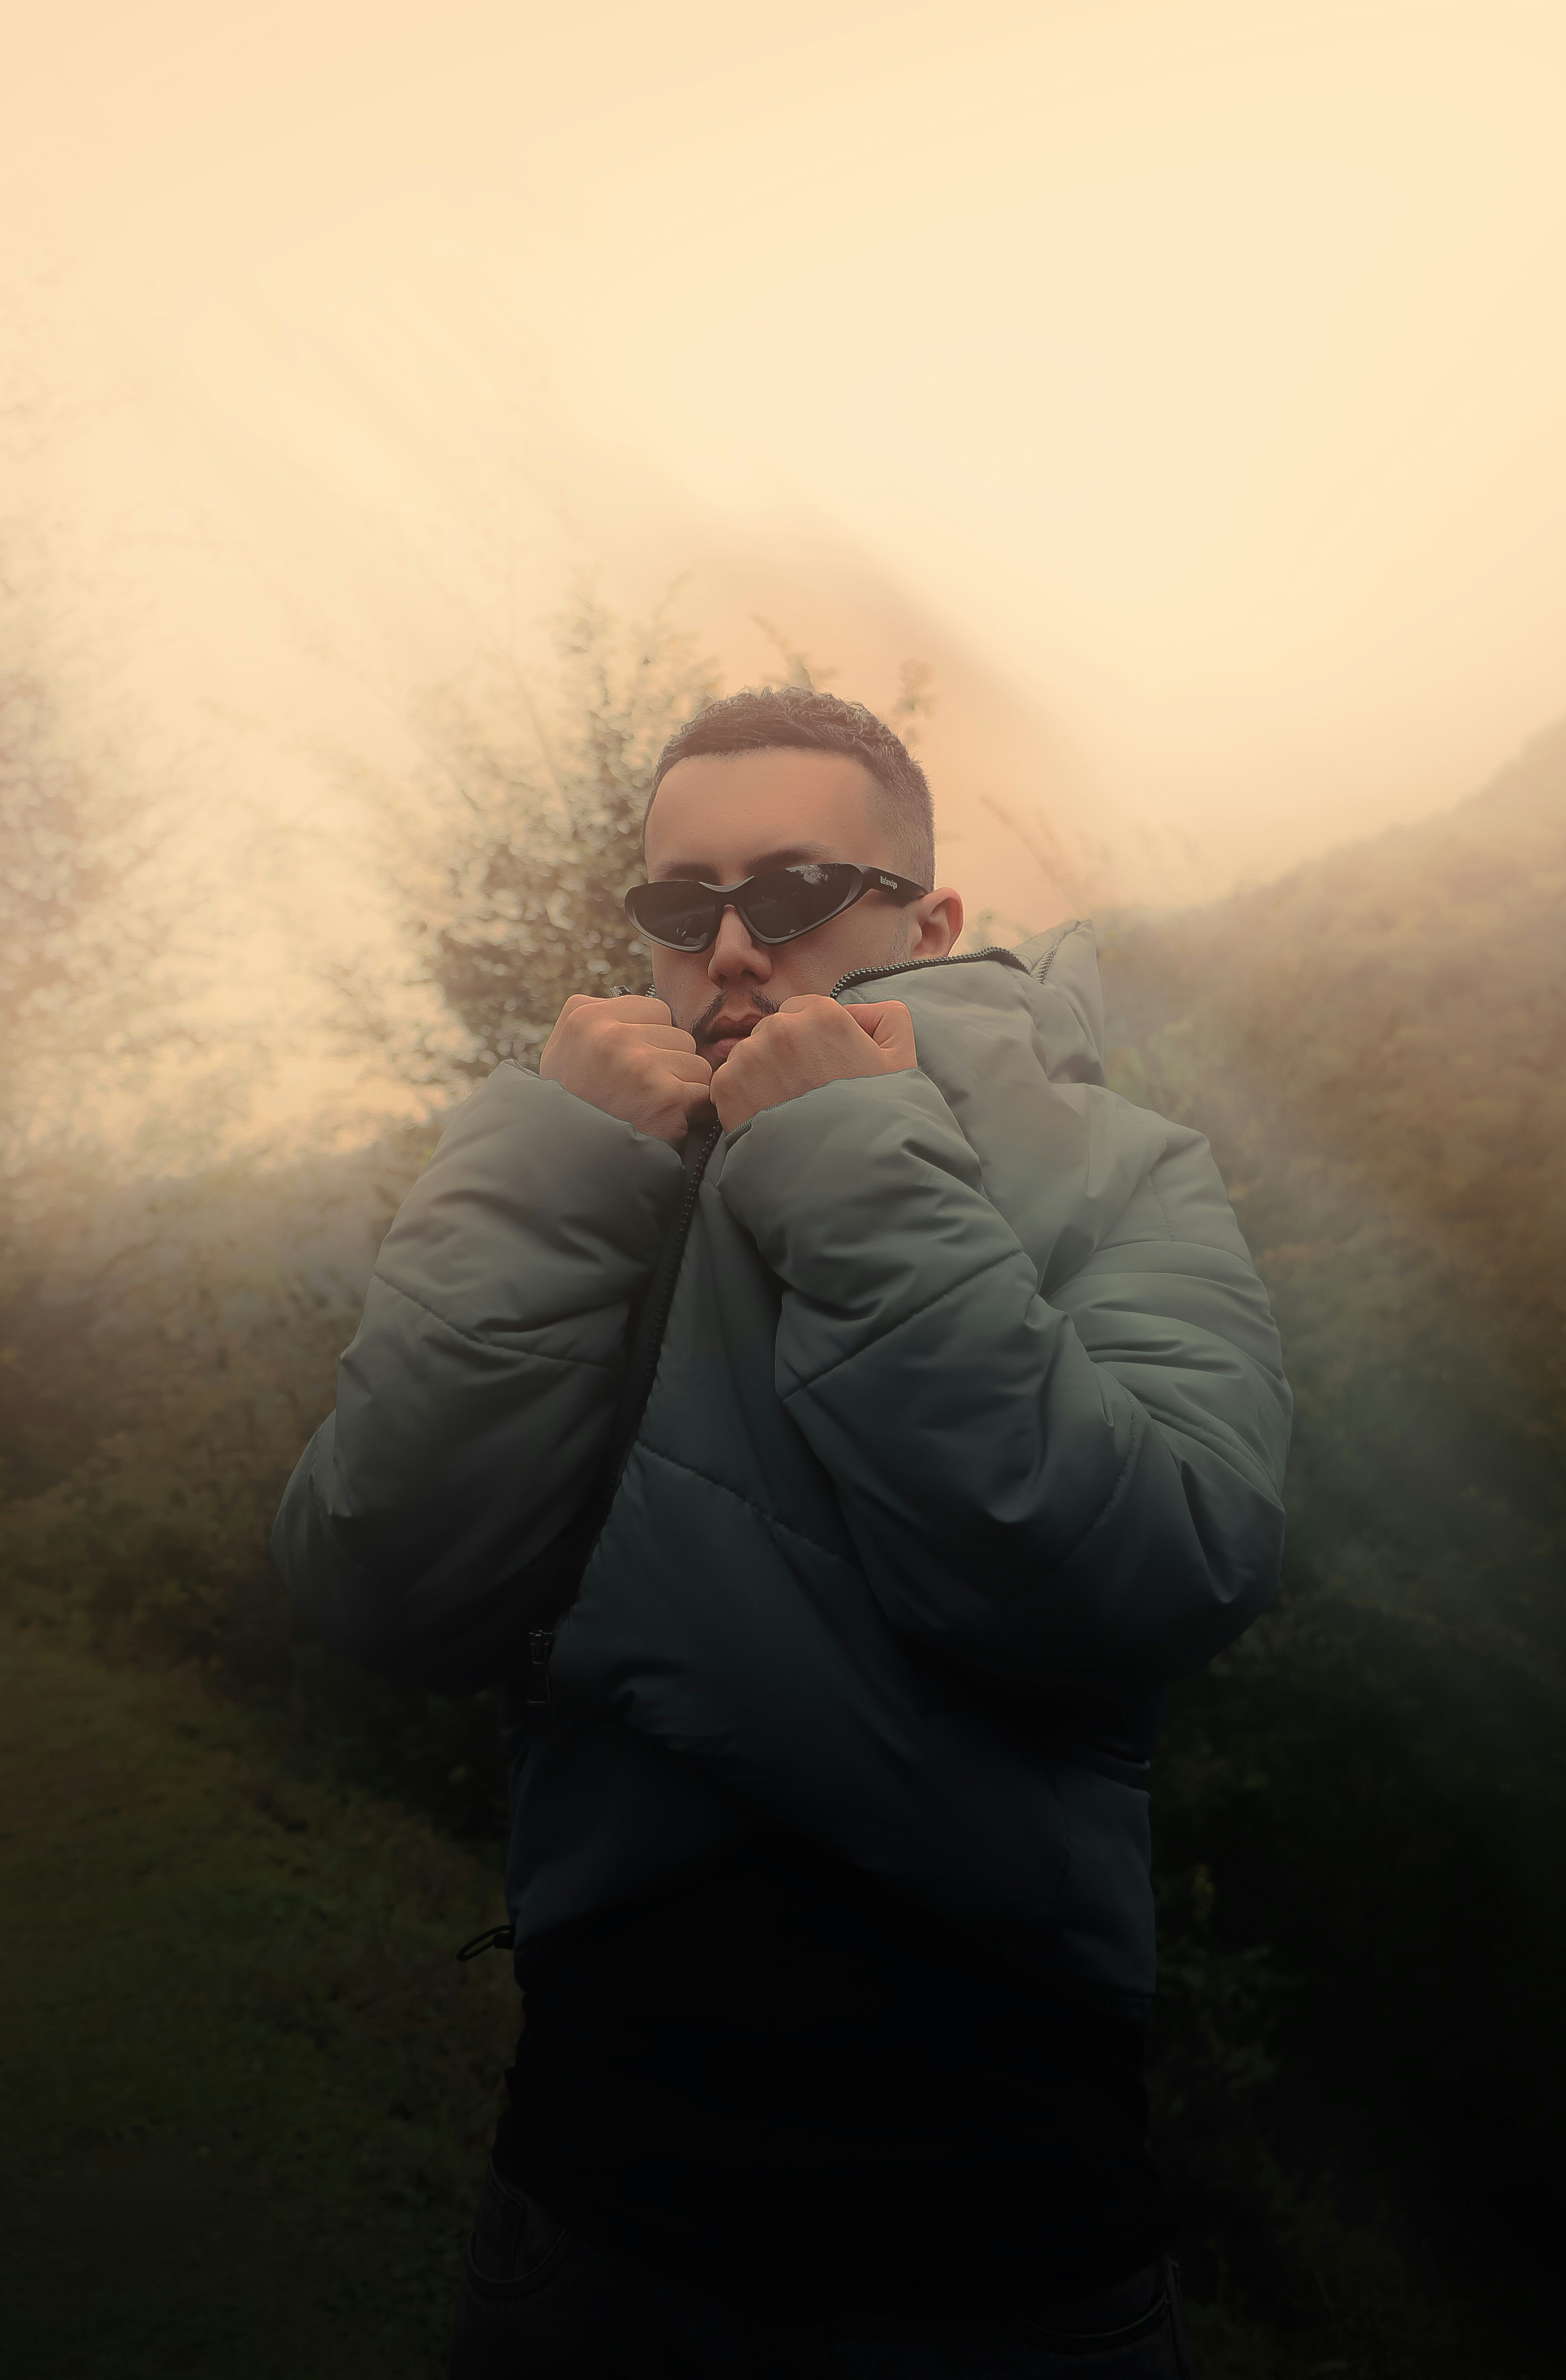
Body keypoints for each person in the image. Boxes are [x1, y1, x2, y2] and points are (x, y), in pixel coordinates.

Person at [273, 686, 1290, 2376]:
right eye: (682, 906)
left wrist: (844, 1156)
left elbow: (1162, 1566)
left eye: (799, 892)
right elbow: (374, 1585)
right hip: (590, 2188)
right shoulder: (588, 1168)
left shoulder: (1120, 1169)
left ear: (933, 924)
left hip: (997, 2220)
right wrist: (541, 1175)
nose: (733, 948)